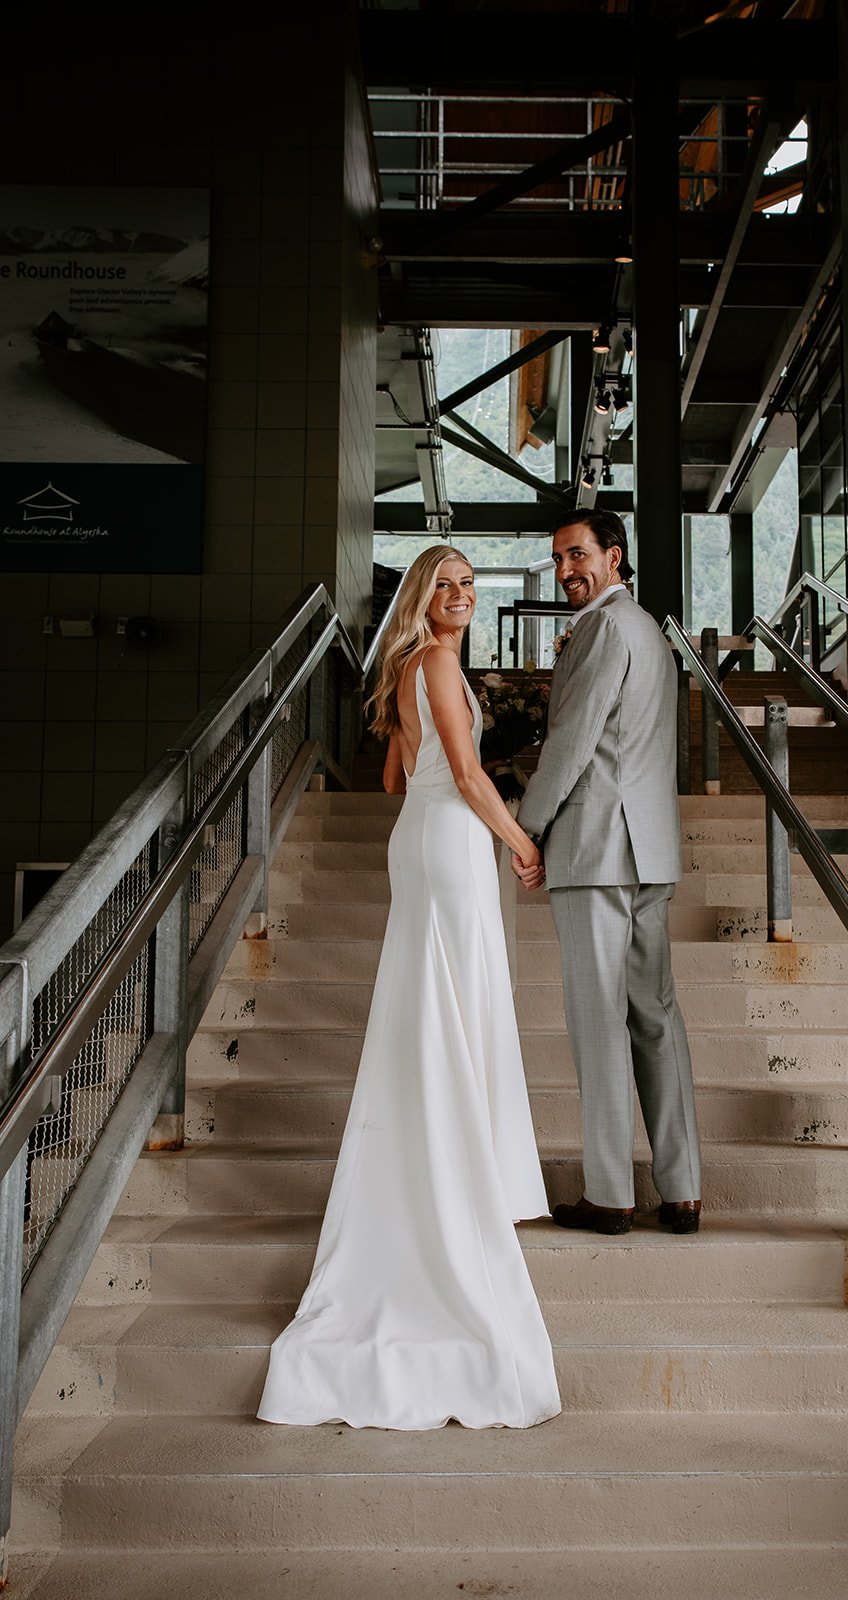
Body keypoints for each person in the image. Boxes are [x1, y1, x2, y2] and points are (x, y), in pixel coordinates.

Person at [257, 545, 561, 1430]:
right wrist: (519, 840)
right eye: (448, 585)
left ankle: (442, 1155)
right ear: (424, 599)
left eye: (470, 585)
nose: (463, 596)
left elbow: (398, 778)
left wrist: (422, 742)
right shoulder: (434, 661)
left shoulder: (411, 669)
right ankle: (459, 1173)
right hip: (454, 841)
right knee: (456, 1001)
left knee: (434, 1004)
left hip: (419, 836)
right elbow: (465, 778)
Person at [513, 508, 702, 1237]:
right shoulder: (650, 631)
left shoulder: (600, 629)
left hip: (596, 850)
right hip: (648, 849)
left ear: (614, 555)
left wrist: (526, 828)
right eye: (559, 559)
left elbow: (572, 741)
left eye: (579, 555)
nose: (567, 571)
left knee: (600, 1023)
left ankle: (611, 1194)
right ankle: (682, 1191)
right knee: (656, 1019)